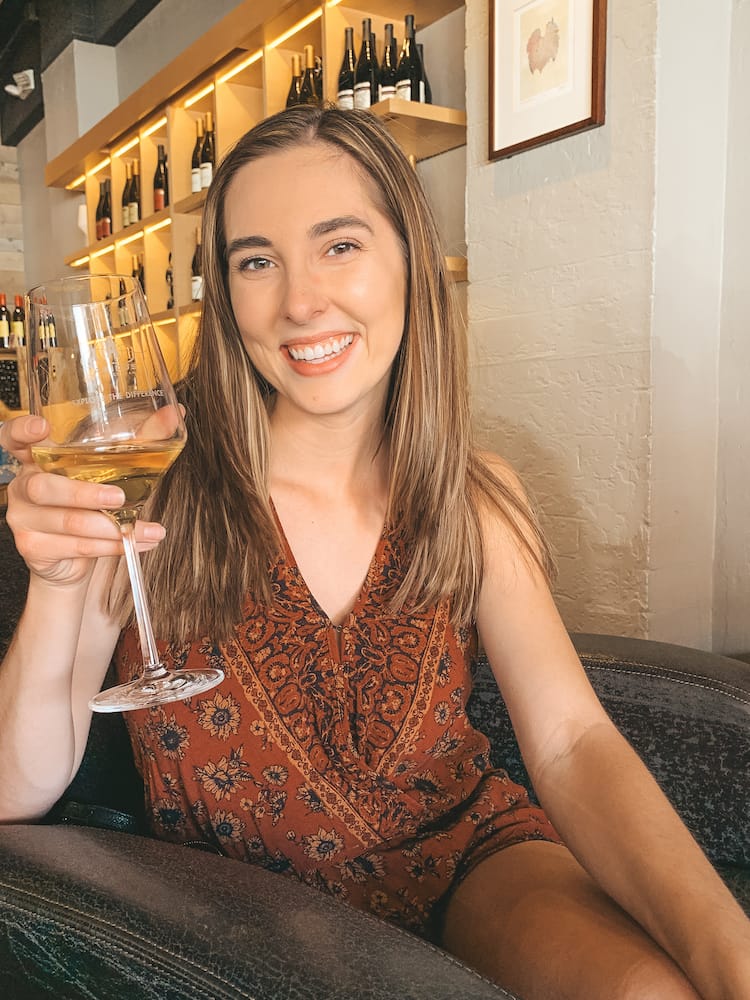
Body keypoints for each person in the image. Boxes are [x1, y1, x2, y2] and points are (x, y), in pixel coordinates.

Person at [0, 105, 748, 1000]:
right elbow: (15, 791)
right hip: (238, 921)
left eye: (341, 245)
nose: (301, 301)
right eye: (256, 261)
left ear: (409, 261)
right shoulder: (149, 492)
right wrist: (56, 584)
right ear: (225, 295)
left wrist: (727, 951)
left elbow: (571, 740)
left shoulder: (474, 494)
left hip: (474, 864)